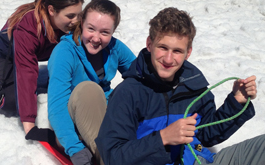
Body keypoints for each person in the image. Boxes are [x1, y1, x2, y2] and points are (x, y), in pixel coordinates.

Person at [95, 7, 263, 165]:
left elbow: (206, 135)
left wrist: (237, 102)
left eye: (177, 51)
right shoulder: (128, 93)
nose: (168, 59)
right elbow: (112, 155)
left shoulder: (193, 84)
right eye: (163, 47)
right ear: (150, 44)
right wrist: (162, 138)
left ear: (188, 52)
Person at [0, 0, 84, 145]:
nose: (77, 20)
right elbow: (26, 73)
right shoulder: (28, 28)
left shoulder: (69, 22)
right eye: (71, 16)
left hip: (42, 50)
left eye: (79, 14)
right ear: (52, 10)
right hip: (9, 52)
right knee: (10, 102)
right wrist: (30, 127)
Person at [47, 0, 136, 164]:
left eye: (104, 32)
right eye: (91, 29)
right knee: (89, 90)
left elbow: (140, 75)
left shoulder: (114, 47)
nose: (96, 38)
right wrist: (75, 149)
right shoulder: (65, 52)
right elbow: (57, 105)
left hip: (104, 118)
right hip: (72, 128)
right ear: (82, 23)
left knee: (131, 88)